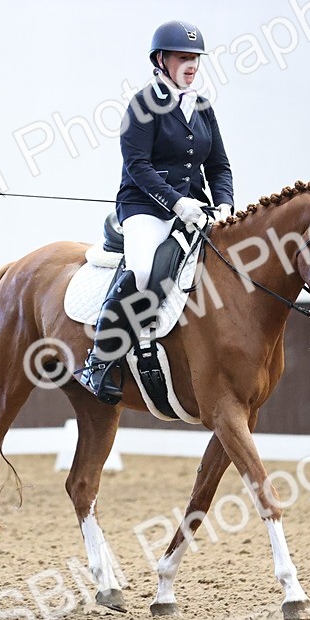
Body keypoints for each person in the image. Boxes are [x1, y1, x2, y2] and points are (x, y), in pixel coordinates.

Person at [77, 20, 235, 405]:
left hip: (196, 210)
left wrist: (226, 203)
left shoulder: (201, 107)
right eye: (183, 58)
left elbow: (219, 166)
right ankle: (99, 359)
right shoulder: (142, 105)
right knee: (145, 270)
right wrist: (177, 202)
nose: (192, 65)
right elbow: (138, 165)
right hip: (145, 208)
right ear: (161, 60)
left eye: (195, 58)